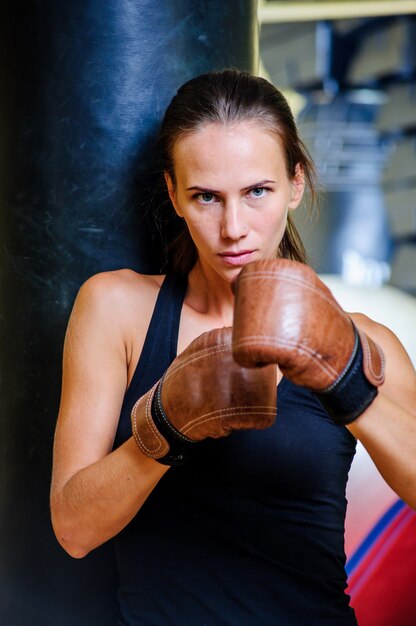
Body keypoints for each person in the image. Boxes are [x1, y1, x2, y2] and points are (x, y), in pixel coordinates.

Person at [50, 69, 416, 625]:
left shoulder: (366, 340)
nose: (233, 227)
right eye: (206, 197)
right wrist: (166, 429)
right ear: (174, 194)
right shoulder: (117, 308)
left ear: (295, 184)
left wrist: (347, 384)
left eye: (257, 192)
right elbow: (74, 531)